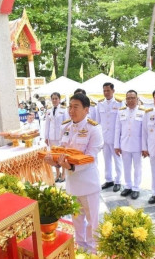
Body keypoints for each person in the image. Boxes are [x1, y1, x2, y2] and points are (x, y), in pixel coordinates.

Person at [44, 93, 103, 253]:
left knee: (92, 222)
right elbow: (62, 152)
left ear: (86, 109)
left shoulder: (94, 129)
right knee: (77, 220)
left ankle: (93, 251)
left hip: (88, 184)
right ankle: (81, 248)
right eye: (70, 106)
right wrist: (54, 162)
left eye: (75, 106)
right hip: (72, 184)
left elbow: (90, 157)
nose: (71, 110)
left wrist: (70, 167)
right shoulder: (66, 127)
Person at [114, 90, 145, 200]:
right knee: (126, 167)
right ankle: (128, 186)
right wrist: (116, 145)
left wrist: (144, 147)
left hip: (137, 145)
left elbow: (144, 132)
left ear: (137, 99)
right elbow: (117, 129)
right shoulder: (121, 112)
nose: (130, 100)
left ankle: (136, 188)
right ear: (126, 100)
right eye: (128, 98)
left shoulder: (143, 112)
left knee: (137, 168)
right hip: (124, 145)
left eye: (133, 98)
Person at [96, 82, 123, 192]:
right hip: (104, 136)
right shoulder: (100, 104)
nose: (106, 93)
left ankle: (118, 181)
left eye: (108, 90)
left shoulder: (119, 103)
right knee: (106, 159)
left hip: (115, 137)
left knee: (117, 160)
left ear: (113, 91)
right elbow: (98, 122)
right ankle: (109, 179)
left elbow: (121, 122)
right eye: (104, 91)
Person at [44, 92, 68, 182]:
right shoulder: (49, 111)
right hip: (51, 137)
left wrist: (65, 137)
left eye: (56, 98)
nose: (54, 100)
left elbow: (66, 124)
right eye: (53, 98)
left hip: (60, 137)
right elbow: (47, 125)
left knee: (62, 155)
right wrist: (46, 137)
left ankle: (64, 173)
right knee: (54, 156)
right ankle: (57, 173)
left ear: (59, 99)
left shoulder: (63, 110)